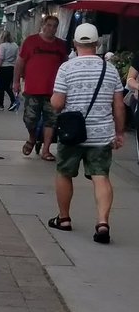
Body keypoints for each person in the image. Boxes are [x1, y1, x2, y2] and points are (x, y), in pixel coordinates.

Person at [48, 24, 124, 244]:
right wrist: (119, 132)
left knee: (64, 173)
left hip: (72, 134)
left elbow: (58, 103)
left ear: (74, 44)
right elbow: (118, 105)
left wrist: (53, 99)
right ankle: (102, 222)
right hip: (101, 134)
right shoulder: (110, 70)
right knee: (101, 177)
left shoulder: (66, 68)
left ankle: (63, 219)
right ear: (97, 43)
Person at [15, 15, 67, 161]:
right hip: (33, 89)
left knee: (52, 120)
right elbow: (20, 62)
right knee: (30, 119)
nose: (51, 29)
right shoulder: (31, 41)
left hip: (54, 90)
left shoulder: (60, 45)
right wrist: (16, 81)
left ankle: (46, 150)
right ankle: (32, 138)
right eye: (48, 25)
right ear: (43, 25)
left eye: (54, 26)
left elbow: (65, 65)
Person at [0, 31, 20, 110]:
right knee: (7, 86)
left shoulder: (2, 46)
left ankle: (2, 104)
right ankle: (7, 102)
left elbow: (1, 58)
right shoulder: (15, 45)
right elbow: (17, 57)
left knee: (2, 86)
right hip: (12, 68)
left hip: (3, 67)